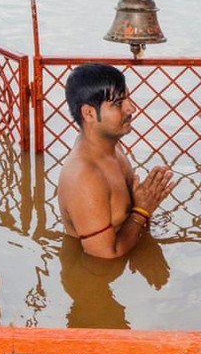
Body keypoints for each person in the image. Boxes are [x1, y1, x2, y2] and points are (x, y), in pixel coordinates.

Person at [57, 63, 176, 259]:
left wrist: (143, 205)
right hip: (95, 281)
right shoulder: (85, 178)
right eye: (118, 103)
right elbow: (105, 257)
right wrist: (141, 212)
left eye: (128, 98)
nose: (131, 108)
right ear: (89, 113)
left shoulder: (113, 147)